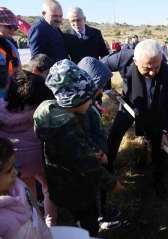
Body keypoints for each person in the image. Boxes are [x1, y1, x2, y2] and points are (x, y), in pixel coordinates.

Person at [33, 59, 125, 237]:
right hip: (77, 189)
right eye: (88, 99)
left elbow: (74, 153)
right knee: (87, 224)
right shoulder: (67, 130)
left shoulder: (59, 117)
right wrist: (112, 184)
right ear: (74, 99)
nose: (91, 102)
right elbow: (87, 166)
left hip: (65, 186)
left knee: (80, 218)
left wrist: (89, 151)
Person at [102, 39, 168, 198]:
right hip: (130, 105)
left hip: (155, 109)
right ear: (135, 61)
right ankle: (107, 170)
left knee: (159, 144)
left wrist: (165, 129)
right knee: (115, 134)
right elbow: (100, 65)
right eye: (147, 68)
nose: (152, 72)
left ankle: (158, 179)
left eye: (156, 66)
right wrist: (106, 87)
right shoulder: (124, 58)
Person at [0, 70, 57, 227]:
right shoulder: (41, 111)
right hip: (40, 158)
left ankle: (38, 222)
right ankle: (51, 221)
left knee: (29, 191)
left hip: (18, 162)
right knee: (48, 189)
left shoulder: (1, 110)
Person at [77, 57, 121, 230]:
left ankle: (102, 209)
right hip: (96, 156)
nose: (102, 89)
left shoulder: (90, 103)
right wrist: (98, 152)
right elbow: (86, 135)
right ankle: (99, 219)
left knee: (101, 189)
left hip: (101, 153)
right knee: (94, 190)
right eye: (99, 86)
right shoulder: (83, 109)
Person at [0, 137, 52, 239]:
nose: (15, 173)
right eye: (9, 170)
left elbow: (35, 216)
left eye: (14, 166)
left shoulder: (19, 187)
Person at [0, 7, 21, 98]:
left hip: (11, 92)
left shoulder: (9, 44)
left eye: (15, 27)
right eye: (9, 26)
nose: (12, 30)